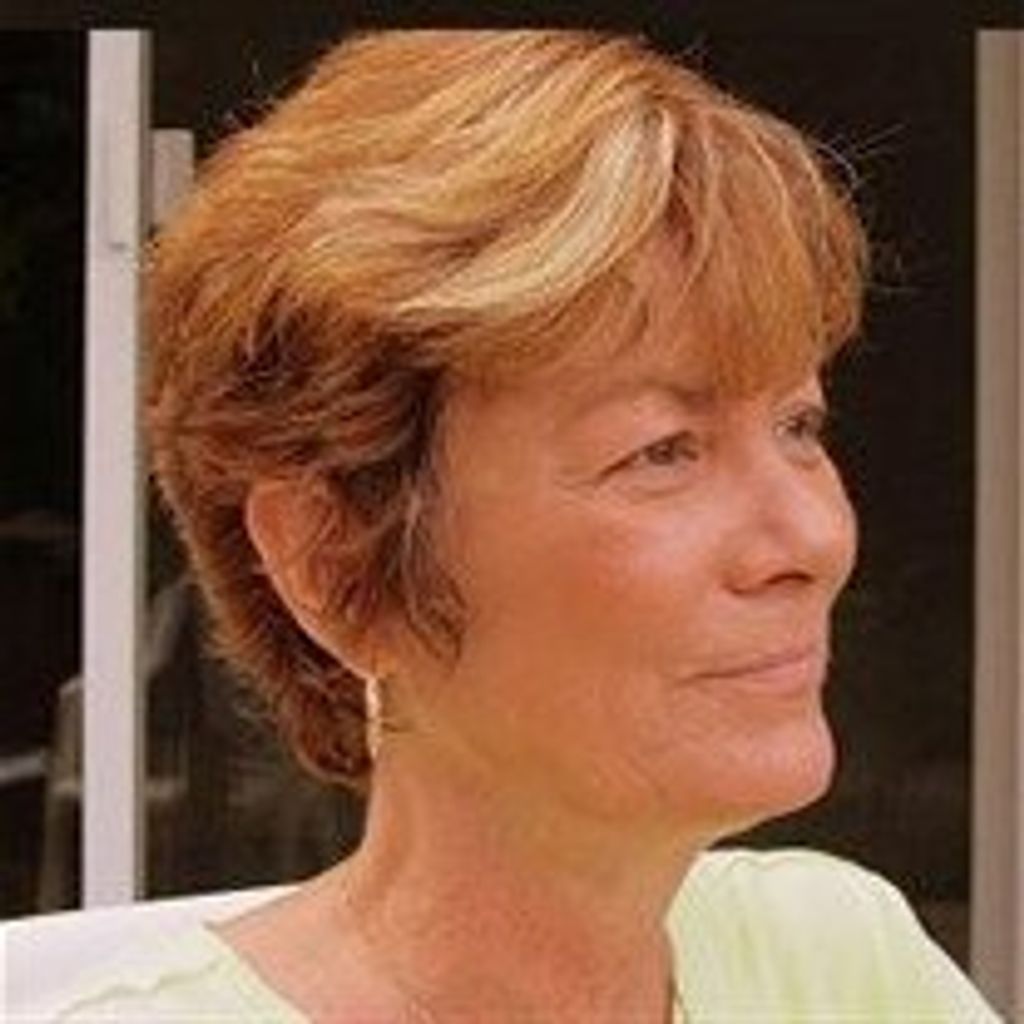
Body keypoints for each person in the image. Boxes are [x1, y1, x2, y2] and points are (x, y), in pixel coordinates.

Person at [45, 29, 999, 1022]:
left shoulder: (836, 961)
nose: (811, 538)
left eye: (798, 426)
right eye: (662, 450)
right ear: (334, 563)